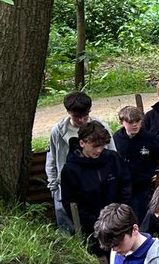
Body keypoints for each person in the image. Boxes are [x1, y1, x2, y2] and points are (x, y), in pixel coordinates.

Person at [45, 91, 113, 235]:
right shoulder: (58, 132)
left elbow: (113, 154)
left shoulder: (101, 127)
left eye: (85, 116)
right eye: (77, 117)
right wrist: (53, 185)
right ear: (69, 112)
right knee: (68, 227)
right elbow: (52, 158)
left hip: (95, 184)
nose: (82, 120)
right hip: (67, 185)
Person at [59, 121, 131, 255]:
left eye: (102, 146)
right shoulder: (70, 170)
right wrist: (96, 221)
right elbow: (70, 203)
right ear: (82, 143)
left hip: (119, 219)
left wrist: (119, 212)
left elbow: (125, 184)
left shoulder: (113, 158)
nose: (99, 150)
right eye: (95, 146)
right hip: (92, 227)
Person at [113, 105, 159, 223]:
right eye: (130, 122)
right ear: (122, 122)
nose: (135, 125)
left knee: (141, 218)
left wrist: (157, 175)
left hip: (142, 186)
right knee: (122, 218)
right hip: (122, 186)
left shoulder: (149, 138)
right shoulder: (116, 138)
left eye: (137, 121)